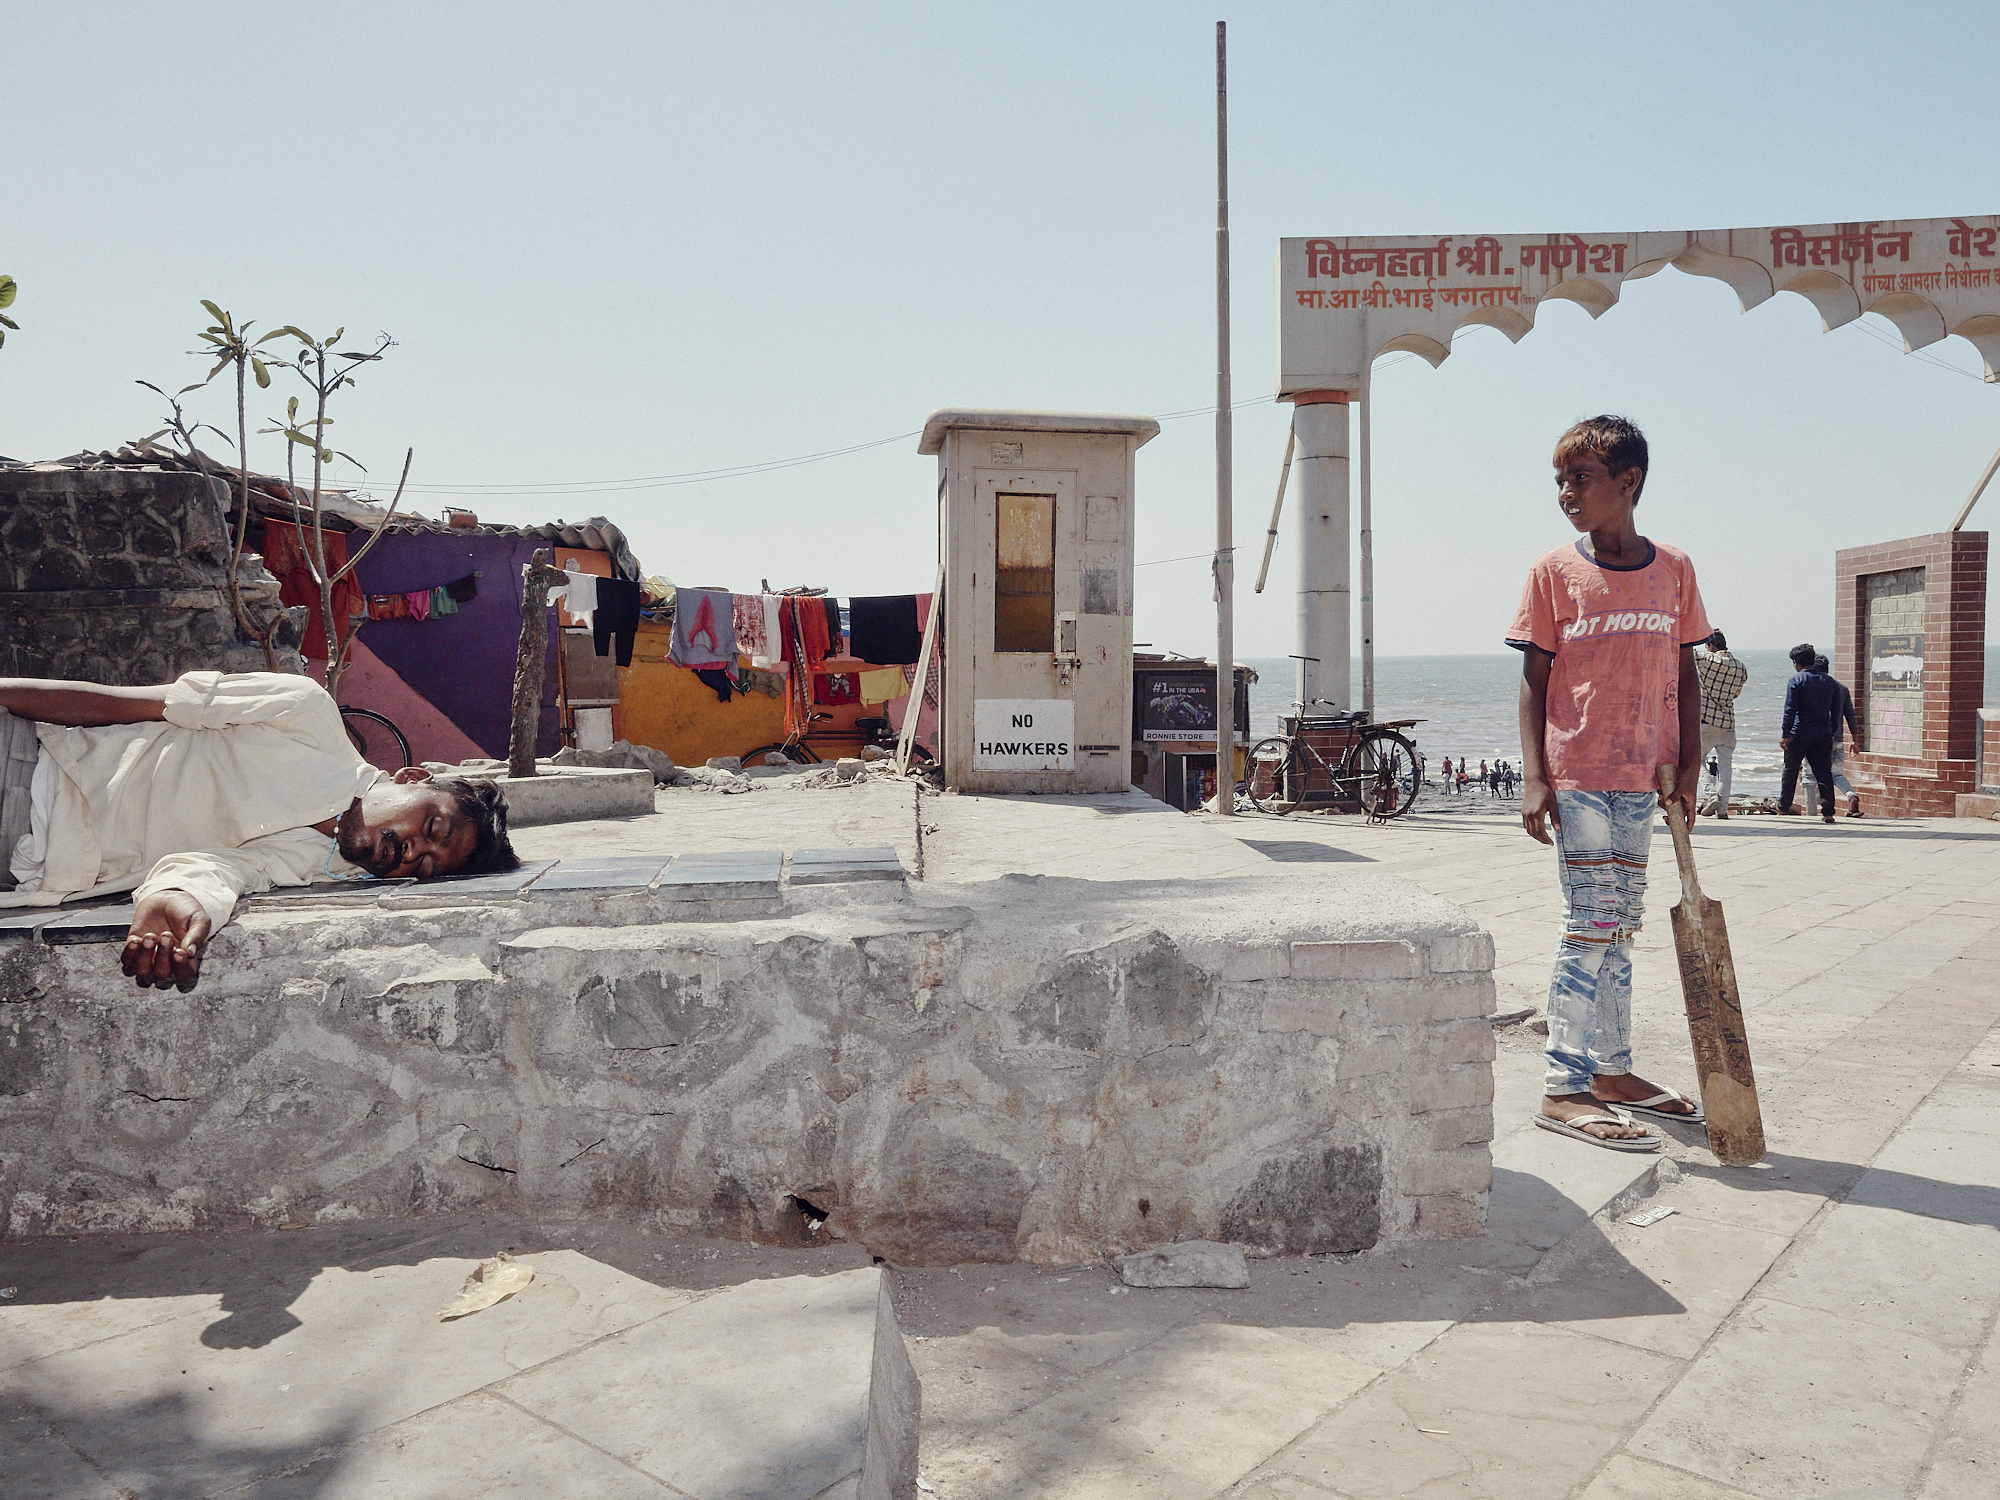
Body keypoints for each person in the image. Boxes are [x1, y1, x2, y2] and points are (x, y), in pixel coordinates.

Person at [0, 671, 517, 990]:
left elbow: (215, 870)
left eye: (426, 863)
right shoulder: (303, 712)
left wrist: (173, 898)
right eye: (431, 826)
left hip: (20, 873)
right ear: (411, 779)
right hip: (28, 768)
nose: (412, 850)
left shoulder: (307, 867)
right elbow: (116, 705)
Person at [1509, 414, 1709, 1151]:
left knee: (1620, 929)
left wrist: (1687, 770)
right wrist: (1535, 777)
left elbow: (1686, 672)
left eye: (1581, 479)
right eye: (1560, 480)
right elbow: (1534, 678)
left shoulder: (1676, 570)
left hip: (1643, 777)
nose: (1567, 493)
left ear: (1627, 483)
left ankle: (1613, 1073)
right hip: (1580, 774)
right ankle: (1564, 1087)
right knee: (1589, 926)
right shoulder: (1553, 573)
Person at [1778, 644, 1841, 824]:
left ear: (1796, 662)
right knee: (1823, 773)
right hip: (1822, 733)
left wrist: (1785, 734)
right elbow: (1836, 710)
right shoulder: (1830, 682)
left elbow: (1790, 709)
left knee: (1790, 770)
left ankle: (1783, 806)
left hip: (1799, 733)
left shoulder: (1796, 680)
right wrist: (1832, 730)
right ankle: (1828, 811)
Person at [1692, 629, 1748, 818]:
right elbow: (1735, 694)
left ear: (1711, 646)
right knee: (1726, 768)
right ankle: (1723, 810)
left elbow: (1686, 652)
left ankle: (1711, 795)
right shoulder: (1741, 667)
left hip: (1706, 720)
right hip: (1727, 723)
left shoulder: (1706, 659)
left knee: (1696, 760)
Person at [1803, 654, 1862, 819]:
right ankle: (1851, 796)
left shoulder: (1812, 687)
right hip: (1837, 741)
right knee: (1836, 775)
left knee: (1809, 777)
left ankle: (1811, 814)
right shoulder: (1841, 689)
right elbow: (1850, 716)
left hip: (1816, 740)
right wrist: (1855, 741)